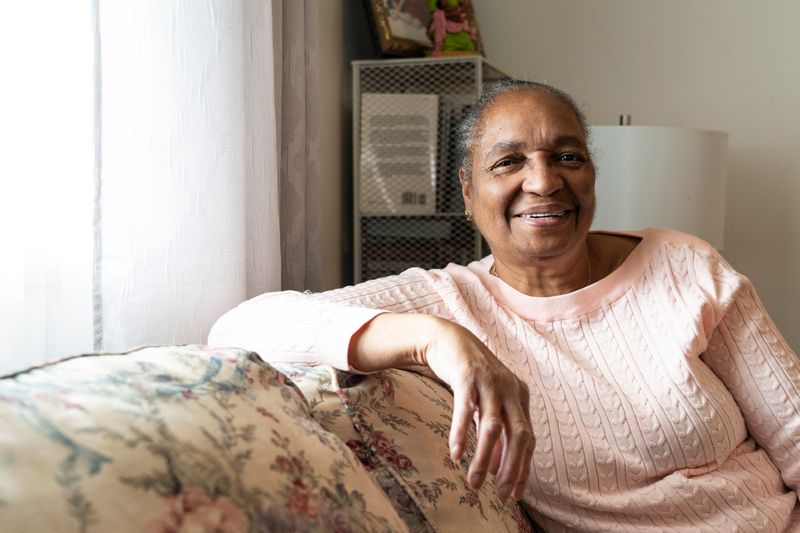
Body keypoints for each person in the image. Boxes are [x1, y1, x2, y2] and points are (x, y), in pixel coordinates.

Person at [209, 80, 800, 531]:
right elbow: (243, 324)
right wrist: (437, 339)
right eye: (508, 162)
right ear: (468, 193)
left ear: (592, 174)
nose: (544, 182)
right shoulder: (449, 298)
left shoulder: (686, 266)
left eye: (567, 157)